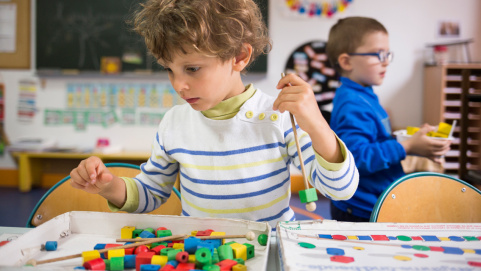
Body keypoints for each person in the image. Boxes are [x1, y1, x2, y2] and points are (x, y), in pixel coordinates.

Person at [70, 0, 359, 228]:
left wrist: (318, 125)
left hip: (266, 252)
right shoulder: (175, 123)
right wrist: (108, 187)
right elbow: (151, 192)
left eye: (192, 69)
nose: (179, 85)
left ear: (239, 57)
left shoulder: (278, 117)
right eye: (169, 69)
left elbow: (342, 189)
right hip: (202, 255)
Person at [326, 17, 451, 222]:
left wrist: (413, 138)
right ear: (347, 61)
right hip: (361, 208)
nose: (385, 61)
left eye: (387, 54)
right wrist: (408, 147)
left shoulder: (364, 94)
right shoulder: (352, 104)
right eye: (378, 54)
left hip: (373, 198)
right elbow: (356, 158)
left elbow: (374, 140)